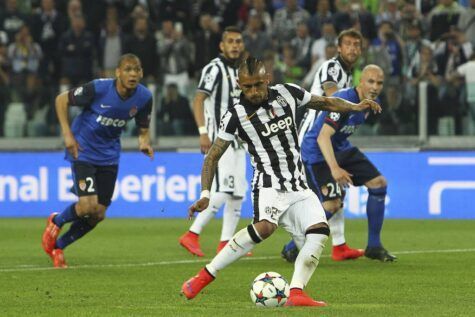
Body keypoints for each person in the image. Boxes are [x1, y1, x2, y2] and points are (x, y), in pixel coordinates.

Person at [181, 57, 381, 306]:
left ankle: (296, 293)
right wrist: (206, 193)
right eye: (247, 87)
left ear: (267, 80)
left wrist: (355, 106)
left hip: (298, 186)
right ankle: (204, 276)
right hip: (268, 184)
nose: (253, 92)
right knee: (265, 228)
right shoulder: (235, 115)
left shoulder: (289, 93)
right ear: (239, 85)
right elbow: (212, 156)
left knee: (319, 232)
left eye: (257, 85)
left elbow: (326, 102)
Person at [41, 54, 154, 268]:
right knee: (87, 205)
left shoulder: (144, 97)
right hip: (83, 150)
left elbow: (143, 127)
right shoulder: (99, 89)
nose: (132, 74)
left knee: (98, 214)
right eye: (128, 69)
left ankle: (58, 247)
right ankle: (56, 221)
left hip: (109, 155)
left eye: (136, 70)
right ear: (118, 72)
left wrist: (144, 142)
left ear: (141, 73)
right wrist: (67, 135)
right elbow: (61, 100)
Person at [282, 28, 365, 262]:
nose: (352, 48)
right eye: (348, 44)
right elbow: (333, 97)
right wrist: (357, 107)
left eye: (356, 45)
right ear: (339, 48)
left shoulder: (349, 74)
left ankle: (339, 245)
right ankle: (294, 243)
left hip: (326, 141)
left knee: (336, 193)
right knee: (331, 200)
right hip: (312, 141)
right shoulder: (332, 67)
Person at [301, 65, 396, 262]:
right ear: (360, 82)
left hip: (341, 147)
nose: (375, 86)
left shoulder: (372, 102)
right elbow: (323, 136)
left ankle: (374, 246)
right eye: (371, 81)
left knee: (379, 183)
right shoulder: (345, 101)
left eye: (379, 83)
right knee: (332, 205)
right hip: (317, 152)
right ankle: (292, 246)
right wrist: (334, 169)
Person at [179, 26, 248, 257]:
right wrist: (202, 131)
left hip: (238, 139)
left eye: (238, 41)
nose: (235, 45)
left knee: (238, 192)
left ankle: (226, 243)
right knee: (224, 190)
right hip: (219, 136)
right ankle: (192, 234)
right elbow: (198, 100)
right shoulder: (214, 68)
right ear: (222, 45)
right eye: (230, 41)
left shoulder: (241, 71)